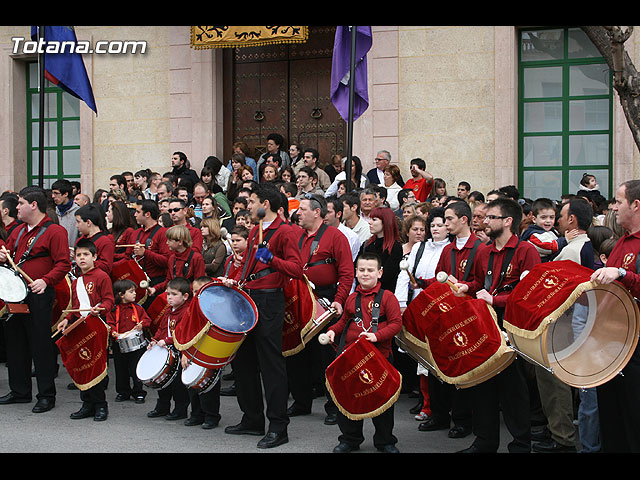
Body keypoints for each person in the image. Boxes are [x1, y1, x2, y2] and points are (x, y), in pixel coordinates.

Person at [453, 197, 540, 453]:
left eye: (491, 217)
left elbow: (530, 293)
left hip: (512, 327)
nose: (485, 221)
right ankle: (485, 441)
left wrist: (496, 299)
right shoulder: (486, 251)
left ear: (508, 221)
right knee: (483, 385)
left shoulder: (526, 251)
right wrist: (466, 287)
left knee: (514, 389)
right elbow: (480, 283)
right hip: (486, 325)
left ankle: (521, 445)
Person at [221, 184, 303, 449]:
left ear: (264, 204)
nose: (248, 204)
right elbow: (250, 265)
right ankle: (252, 418)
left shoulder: (285, 231)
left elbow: (296, 269)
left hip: (269, 300)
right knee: (243, 361)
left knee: (270, 364)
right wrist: (237, 278)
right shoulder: (255, 230)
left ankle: (278, 427)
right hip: (249, 297)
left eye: (252, 200)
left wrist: (272, 259)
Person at [0, 186, 72, 413]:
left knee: (40, 344)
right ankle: (20, 391)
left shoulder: (54, 231)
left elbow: (63, 263)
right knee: (16, 342)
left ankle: (46, 395)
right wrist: (3, 255)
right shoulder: (18, 230)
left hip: (39, 294)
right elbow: (9, 254)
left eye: (20, 203)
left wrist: (46, 281)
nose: (17, 208)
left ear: (34, 205)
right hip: (17, 294)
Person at [531, 197, 594, 454]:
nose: (556, 220)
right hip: (571, 324)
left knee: (555, 383)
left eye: (561, 215)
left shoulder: (573, 250)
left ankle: (562, 438)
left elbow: (557, 294)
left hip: (564, 325)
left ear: (572, 220)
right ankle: (557, 431)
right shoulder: (580, 244)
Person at [325, 252, 403, 453]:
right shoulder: (351, 298)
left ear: (380, 273)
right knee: (349, 398)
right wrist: (333, 330)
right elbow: (344, 322)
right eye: (361, 270)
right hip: (352, 358)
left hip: (380, 358)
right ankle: (350, 440)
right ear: (355, 273)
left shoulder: (388, 297)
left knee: (383, 401)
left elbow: (396, 324)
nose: (365, 274)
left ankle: (385, 441)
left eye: (370, 270)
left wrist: (377, 337)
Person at [286, 194, 353, 424]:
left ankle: (334, 406)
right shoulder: (295, 236)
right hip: (299, 300)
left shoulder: (335, 236)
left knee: (326, 356)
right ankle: (302, 401)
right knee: (297, 354)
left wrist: (339, 300)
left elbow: (346, 273)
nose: (298, 213)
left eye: (303, 209)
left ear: (317, 212)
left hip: (326, 300)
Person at [590, 179, 640, 452]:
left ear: (635, 205)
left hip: (635, 344)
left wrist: (622, 274)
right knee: (611, 416)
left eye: (619, 202)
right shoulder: (621, 241)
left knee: (634, 416)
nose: (614, 208)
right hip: (611, 342)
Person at [56, 238, 115, 421]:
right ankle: (87, 404)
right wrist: (66, 320)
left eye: (86, 255)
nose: (82, 258)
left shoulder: (102, 276)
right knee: (82, 365)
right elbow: (75, 306)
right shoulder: (77, 281)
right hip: (80, 328)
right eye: (78, 255)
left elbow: (109, 301)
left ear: (95, 256)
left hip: (96, 327)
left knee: (95, 365)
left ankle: (100, 405)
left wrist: (101, 308)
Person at [146, 277, 192, 421]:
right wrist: (154, 340)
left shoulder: (186, 312)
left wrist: (165, 340)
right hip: (166, 349)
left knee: (178, 384)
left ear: (185, 296)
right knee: (163, 380)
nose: (170, 297)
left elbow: (183, 333)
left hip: (178, 351)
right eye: (168, 294)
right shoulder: (168, 311)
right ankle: (163, 406)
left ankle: (180, 409)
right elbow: (161, 329)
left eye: (174, 294)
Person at [182, 275, 223, 429]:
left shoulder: (217, 310)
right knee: (192, 384)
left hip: (210, 353)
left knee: (209, 387)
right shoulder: (191, 309)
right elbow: (184, 333)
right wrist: (184, 353)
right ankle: (196, 414)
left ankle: (211, 416)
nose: (196, 295)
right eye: (194, 291)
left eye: (200, 291)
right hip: (192, 353)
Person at [106, 279, 152, 405]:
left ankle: (138, 392)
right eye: (131, 292)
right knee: (120, 370)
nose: (135, 294)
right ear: (121, 295)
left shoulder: (138, 308)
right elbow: (109, 324)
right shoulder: (114, 310)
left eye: (135, 291)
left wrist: (141, 325)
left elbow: (147, 320)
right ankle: (123, 392)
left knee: (135, 369)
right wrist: (113, 332)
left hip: (137, 346)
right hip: (119, 344)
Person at [150, 225, 206, 296]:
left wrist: (178, 291)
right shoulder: (172, 258)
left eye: (170, 240)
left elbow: (199, 284)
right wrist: (155, 288)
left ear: (180, 242)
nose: (167, 243)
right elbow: (169, 281)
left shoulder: (196, 258)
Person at [360, 207, 403, 292]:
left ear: (385, 222)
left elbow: (387, 276)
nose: (369, 222)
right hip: (364, 292)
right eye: (370, 219)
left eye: (374, 220)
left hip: (384, 295)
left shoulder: (395, 247)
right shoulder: (367, 244)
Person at [131, 199, 170, 291]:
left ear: (147, 214)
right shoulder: (135, 233)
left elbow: (166, 261)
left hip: (156, 281)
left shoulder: (163, 233)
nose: (135, 215)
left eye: (138, 212)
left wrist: (145, 253)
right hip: (137, 280)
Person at [74, 203, 115, 276]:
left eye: (78, 222)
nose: (76, 226)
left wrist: (87, 261)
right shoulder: (80, 240)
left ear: (88, 222)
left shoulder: (105, 242)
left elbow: (106, 267)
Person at [324, 196, 361, 261]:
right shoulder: (316, 232)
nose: (324, 215)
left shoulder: (351, 237)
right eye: (323, 212)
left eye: (328, 212)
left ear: (338, 214)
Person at [107, 201, 137, 266]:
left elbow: (128, 255)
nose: (106, 214)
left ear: (116, 214)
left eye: (109, 211)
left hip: (121, 267)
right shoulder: (111, 231)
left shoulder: (129, 231)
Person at [51, 179, 80, 247]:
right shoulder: (54, 211)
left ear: (66, 194)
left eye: (56, 193)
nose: (53, 196)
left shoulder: (78, 212)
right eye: (52, 193)